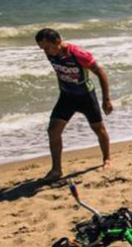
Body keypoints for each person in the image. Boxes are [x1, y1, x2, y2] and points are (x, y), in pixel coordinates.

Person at [35, 28, 113, 181]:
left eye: (47, 47)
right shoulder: (50, 54)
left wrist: (106, 99)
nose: (45, 51)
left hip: (86, 96)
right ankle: (56, 169)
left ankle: (107, 159)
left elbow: (101, 73)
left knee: (98, 128)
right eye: (42, 48)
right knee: (53, 130)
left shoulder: (78, 54)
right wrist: (62, 89)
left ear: (58, 42)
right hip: (67, 97)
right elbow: (59, 73)